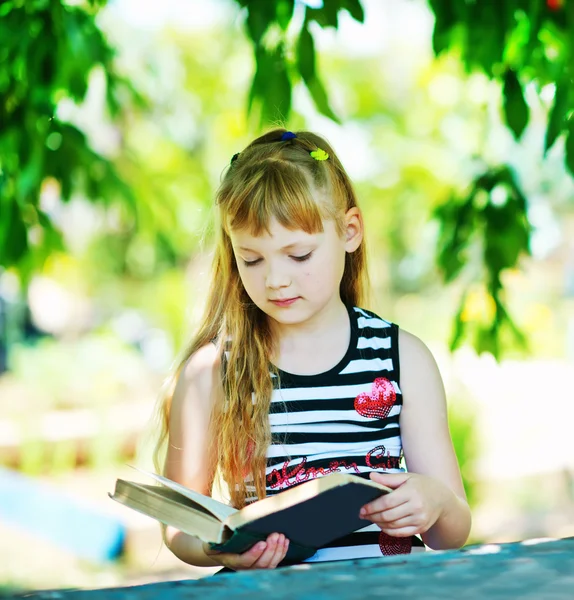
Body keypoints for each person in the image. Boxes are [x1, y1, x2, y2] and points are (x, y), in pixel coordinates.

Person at [153, 129, 472, 572]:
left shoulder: (403, 359)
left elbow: (452, 531)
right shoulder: (211, 372)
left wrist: (435, 503)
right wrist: (218, 547)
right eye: (252, 259)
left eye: (298, 255)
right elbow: (179, 525)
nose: (275, 279)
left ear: (349, 231)